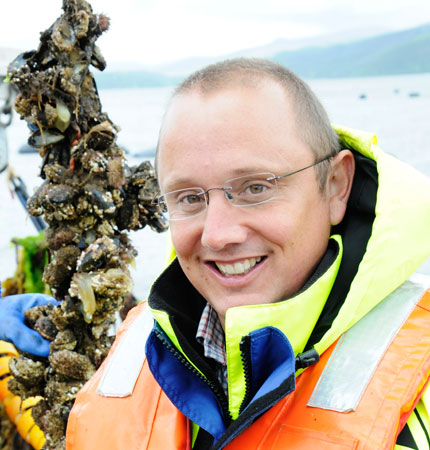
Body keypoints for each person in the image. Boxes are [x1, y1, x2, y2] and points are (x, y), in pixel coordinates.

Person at [2, 58, 430, 449]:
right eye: (189, 197)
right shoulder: (134, 346)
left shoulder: (420, 379)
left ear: (336, 186)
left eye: (256, 188)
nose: (218, 234)